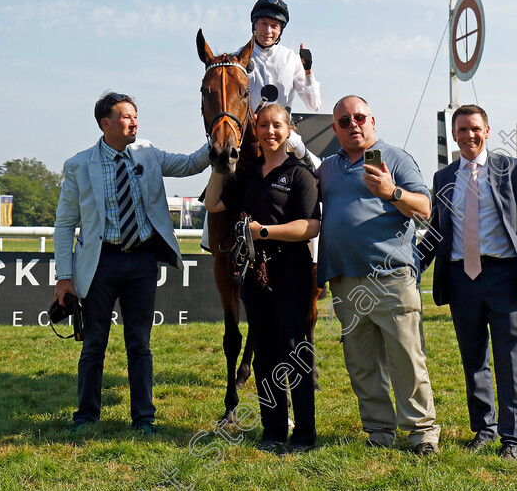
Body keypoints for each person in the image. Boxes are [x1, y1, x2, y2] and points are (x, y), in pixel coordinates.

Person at [53, 92, 211, 435]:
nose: (134, 122)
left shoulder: (149, 152)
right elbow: (65, 225)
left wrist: (219, 133)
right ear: (105, 123)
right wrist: (64, 278)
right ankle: (85, 417)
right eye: (126, 117)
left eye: (136, 116)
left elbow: (189, 164)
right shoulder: (79, 165)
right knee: (94, 344)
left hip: (142, 261)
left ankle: (144, 418)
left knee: (139, 343)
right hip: (100, 264)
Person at [418, 104, 517, 461]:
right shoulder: (443, 178)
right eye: (461, 130)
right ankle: (484, 430)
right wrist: (412, 264)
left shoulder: (510, 168)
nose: (468, 135)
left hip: (505, 278)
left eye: (475, 128)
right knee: (473, 360)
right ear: (454, 135)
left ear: (487, 131)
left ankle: (512, 439)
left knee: (508, 360)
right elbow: (436, 232)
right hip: (462, 280)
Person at [318, 95, 441, 456]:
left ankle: (422, 435)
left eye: (359, 117)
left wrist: (392, 191)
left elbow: (425, 209)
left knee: (406, 359)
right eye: (344, 121)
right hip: (344, 281)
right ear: (334, 129)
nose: (353, 124)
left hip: (390, 277)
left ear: (373, 120)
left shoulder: (397, 158)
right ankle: (378, 431)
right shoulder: (326, 168)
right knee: (361, 365)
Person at [204, 103, 320, 454]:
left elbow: (310, 226)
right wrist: (218, 165)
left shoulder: (300, 173)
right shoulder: (247, 174)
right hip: (254, 275)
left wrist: (264, 232)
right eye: (264, 125)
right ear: (255, 129)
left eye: (277, 126)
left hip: (292, 271)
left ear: (289, 131)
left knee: (292, 352)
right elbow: (213, 204)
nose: (270, 131)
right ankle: (272, 432)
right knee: (266, 355)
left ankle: (303, 435)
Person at [245, 0, 321, 165]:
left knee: (319, 171)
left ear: (280, 30)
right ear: (254, 25)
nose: (268, 31)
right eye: (263, 23)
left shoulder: (291, 59)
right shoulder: (238, 58)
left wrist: (308, 71)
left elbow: (313, 105)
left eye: (274, 26)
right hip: (247, 135)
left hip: (284, 136)